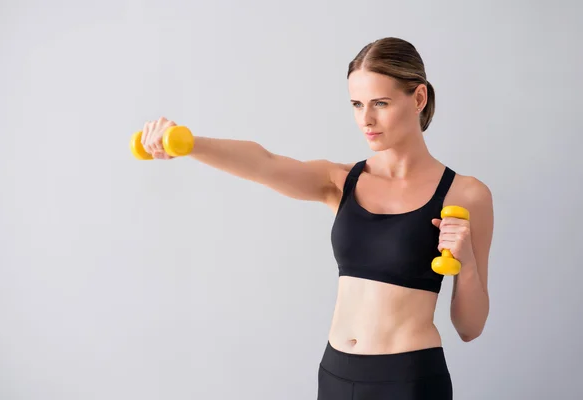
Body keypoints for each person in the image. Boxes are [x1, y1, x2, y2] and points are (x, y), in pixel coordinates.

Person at [139, 37, 494, 400]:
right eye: (356, 104)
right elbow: (265, 164)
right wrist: (186, 143)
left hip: (409, 379)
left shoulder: (464, 195)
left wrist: (465, 264)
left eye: (380, 103)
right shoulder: (340, 182)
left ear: (418, 98)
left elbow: (470, 327)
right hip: (335, 373)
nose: (365, 120)